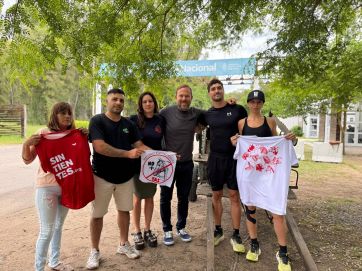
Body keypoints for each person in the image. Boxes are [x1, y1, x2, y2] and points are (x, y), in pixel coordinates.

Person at [231, 90, 296, 271]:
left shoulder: (270, 122)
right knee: (250, 209)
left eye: (259, 101)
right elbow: (239, 144)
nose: (256, 104)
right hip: (250, 174)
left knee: (277, 211)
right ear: (248, 103)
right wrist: (235, 141)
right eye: (252, 101)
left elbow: (277, 141)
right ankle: (254, 243)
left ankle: (282, 252)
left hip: (269, 174)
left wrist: (290, 139)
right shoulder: (241, 123)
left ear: (263, 103)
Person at [86, 88, 149, 269]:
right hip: (101, 176)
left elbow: (140, 146)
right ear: (107, 101)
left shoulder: (129, 124)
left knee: (124, 211)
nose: (118, 103)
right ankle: (94, 251)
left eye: (121, 100)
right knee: (97, 215)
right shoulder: (97, 121)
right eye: (115, 99)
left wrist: (165, 156)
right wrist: (127, 154)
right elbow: (99, 147)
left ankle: (123, 244)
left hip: (125, 177)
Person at [22, 102, 79, 271]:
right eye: (63, 113)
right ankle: (39, 268)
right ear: (55, 115)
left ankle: (54, 262)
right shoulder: (43, 133)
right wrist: (27, 144)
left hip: (67, 187)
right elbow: (27, 160)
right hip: (47, 188)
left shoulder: (73, 135)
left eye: (69, 113)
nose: (67, 116)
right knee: (46, 230)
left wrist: (82, 135)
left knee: (58, 226)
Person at [203, 78, 248, 253]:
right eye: (213, 89)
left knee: (235, 196)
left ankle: (236, 234)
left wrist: (240, 139)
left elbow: (249, 130)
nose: (216, 91)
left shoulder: (237, 109)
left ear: (223, 90)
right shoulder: (207, 114)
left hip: (234, 159)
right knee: (216, 195)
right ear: (209, 93)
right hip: (215, 159)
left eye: (219, 88)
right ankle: (218, 230)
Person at [159, 84, 204, 245]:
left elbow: (213, 115)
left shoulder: (196, 113)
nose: (184, 99)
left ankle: (181, 227)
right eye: (181, 96)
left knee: (183, 197)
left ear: (191, 98)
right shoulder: (165, 112)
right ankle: (167, 230)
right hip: (167, 164)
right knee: (165, 198)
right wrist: (164, 152)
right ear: (176, 96)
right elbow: (152, 128)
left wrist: (229, 103)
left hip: (186, 164)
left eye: (187, 96)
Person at [129, 92, 164, 250]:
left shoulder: (160, 120)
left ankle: (147, 229)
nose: (148, 104)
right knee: (137, 199)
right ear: (141, 104)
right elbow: (131, 142)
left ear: (154, 103)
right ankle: (136, 231)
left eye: (150, 101)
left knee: (150, 198)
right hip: (137, 165)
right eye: (145, 101)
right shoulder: (133, 120)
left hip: (153, 167)